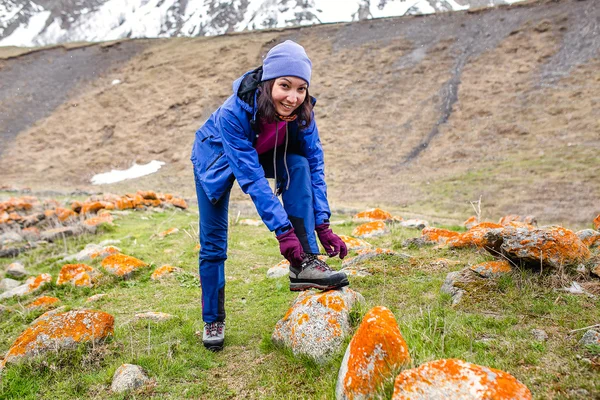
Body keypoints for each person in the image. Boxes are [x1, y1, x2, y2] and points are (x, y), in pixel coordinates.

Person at [190, 40, 349, 351]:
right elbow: (252, 179)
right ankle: (213, 318)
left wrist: (323, 224)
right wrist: (282, 233)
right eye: (284, 86)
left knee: (299, 164)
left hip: (265, 152)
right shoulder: (233, 113)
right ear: (267, 82)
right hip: (215, 159)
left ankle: (303, 263)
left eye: (301, 88)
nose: (292, 97)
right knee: (213, 244)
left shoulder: (303, 113)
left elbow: (315, 165)